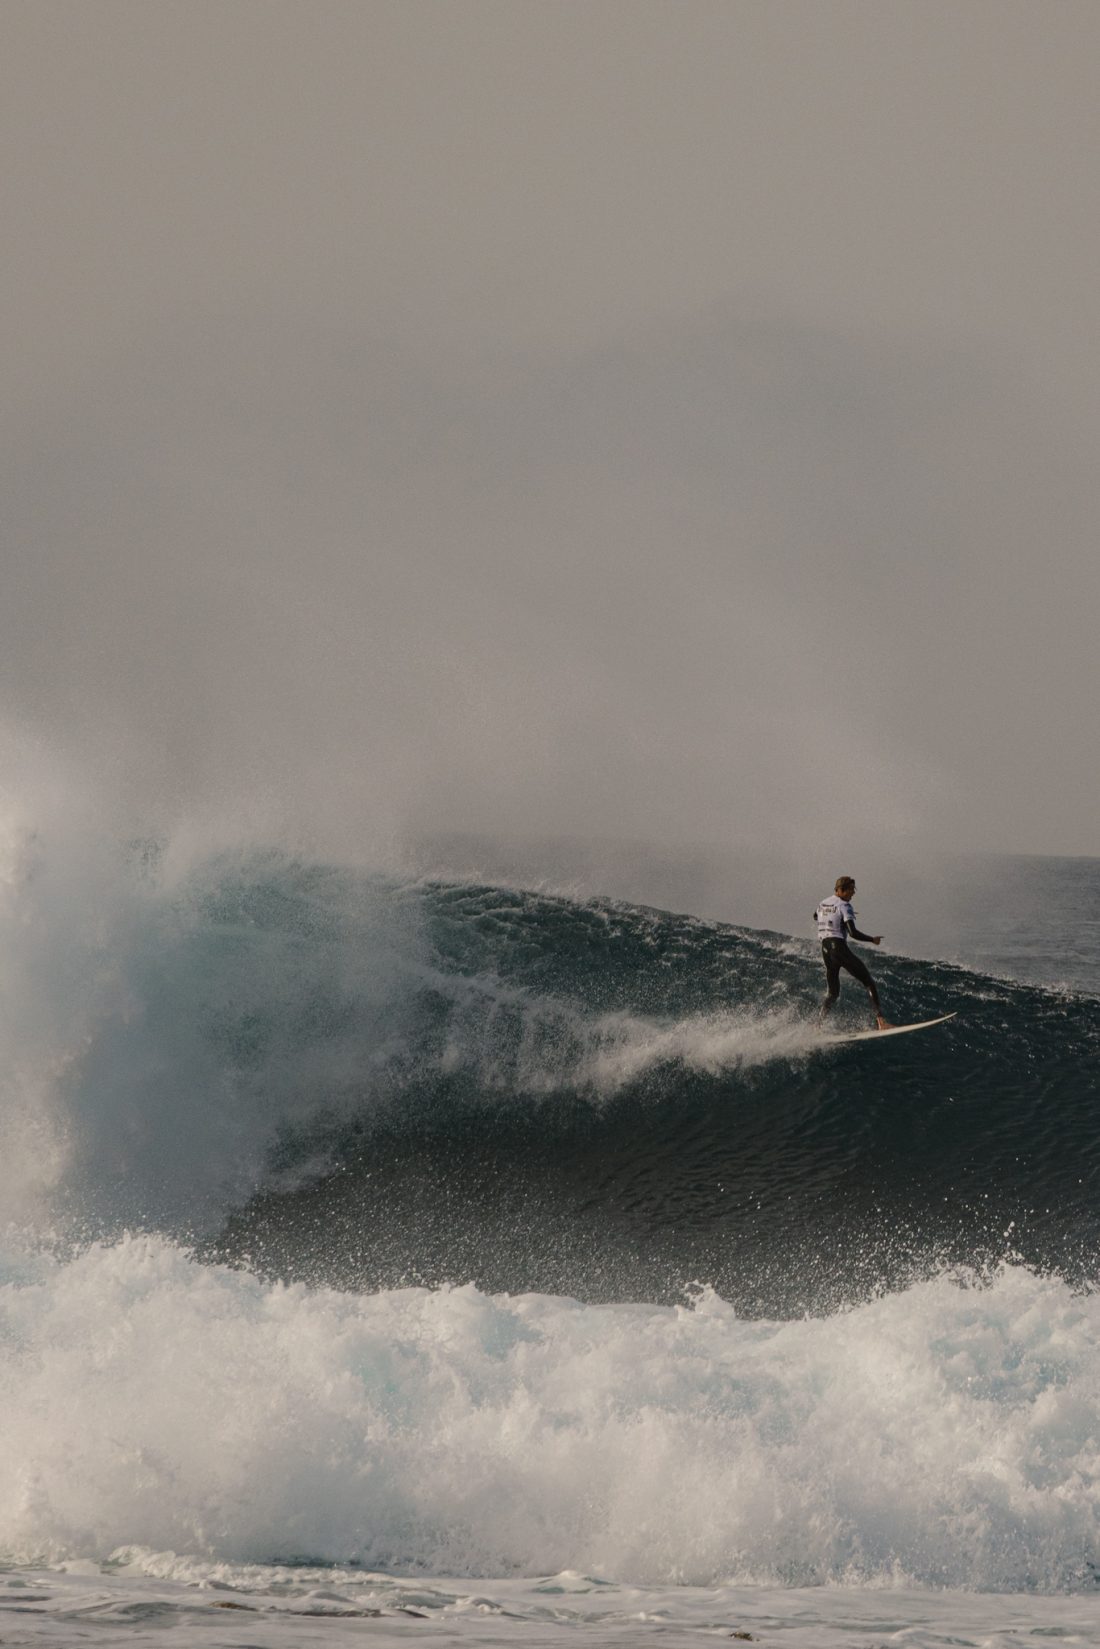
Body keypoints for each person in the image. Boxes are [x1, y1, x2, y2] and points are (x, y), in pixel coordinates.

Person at [813, 876, 891, 1029]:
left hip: (826, 949)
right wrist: (872, 939)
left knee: (833, 993)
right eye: (851, 890)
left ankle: (817, 1026)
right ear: (841, 890)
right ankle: (881, 1022)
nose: (853, 893)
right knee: (868, 982)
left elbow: (816, 916)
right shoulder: (844, 906)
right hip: (838, 947)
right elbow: (853, 933)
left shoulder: (823, 903)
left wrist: (834, 917)